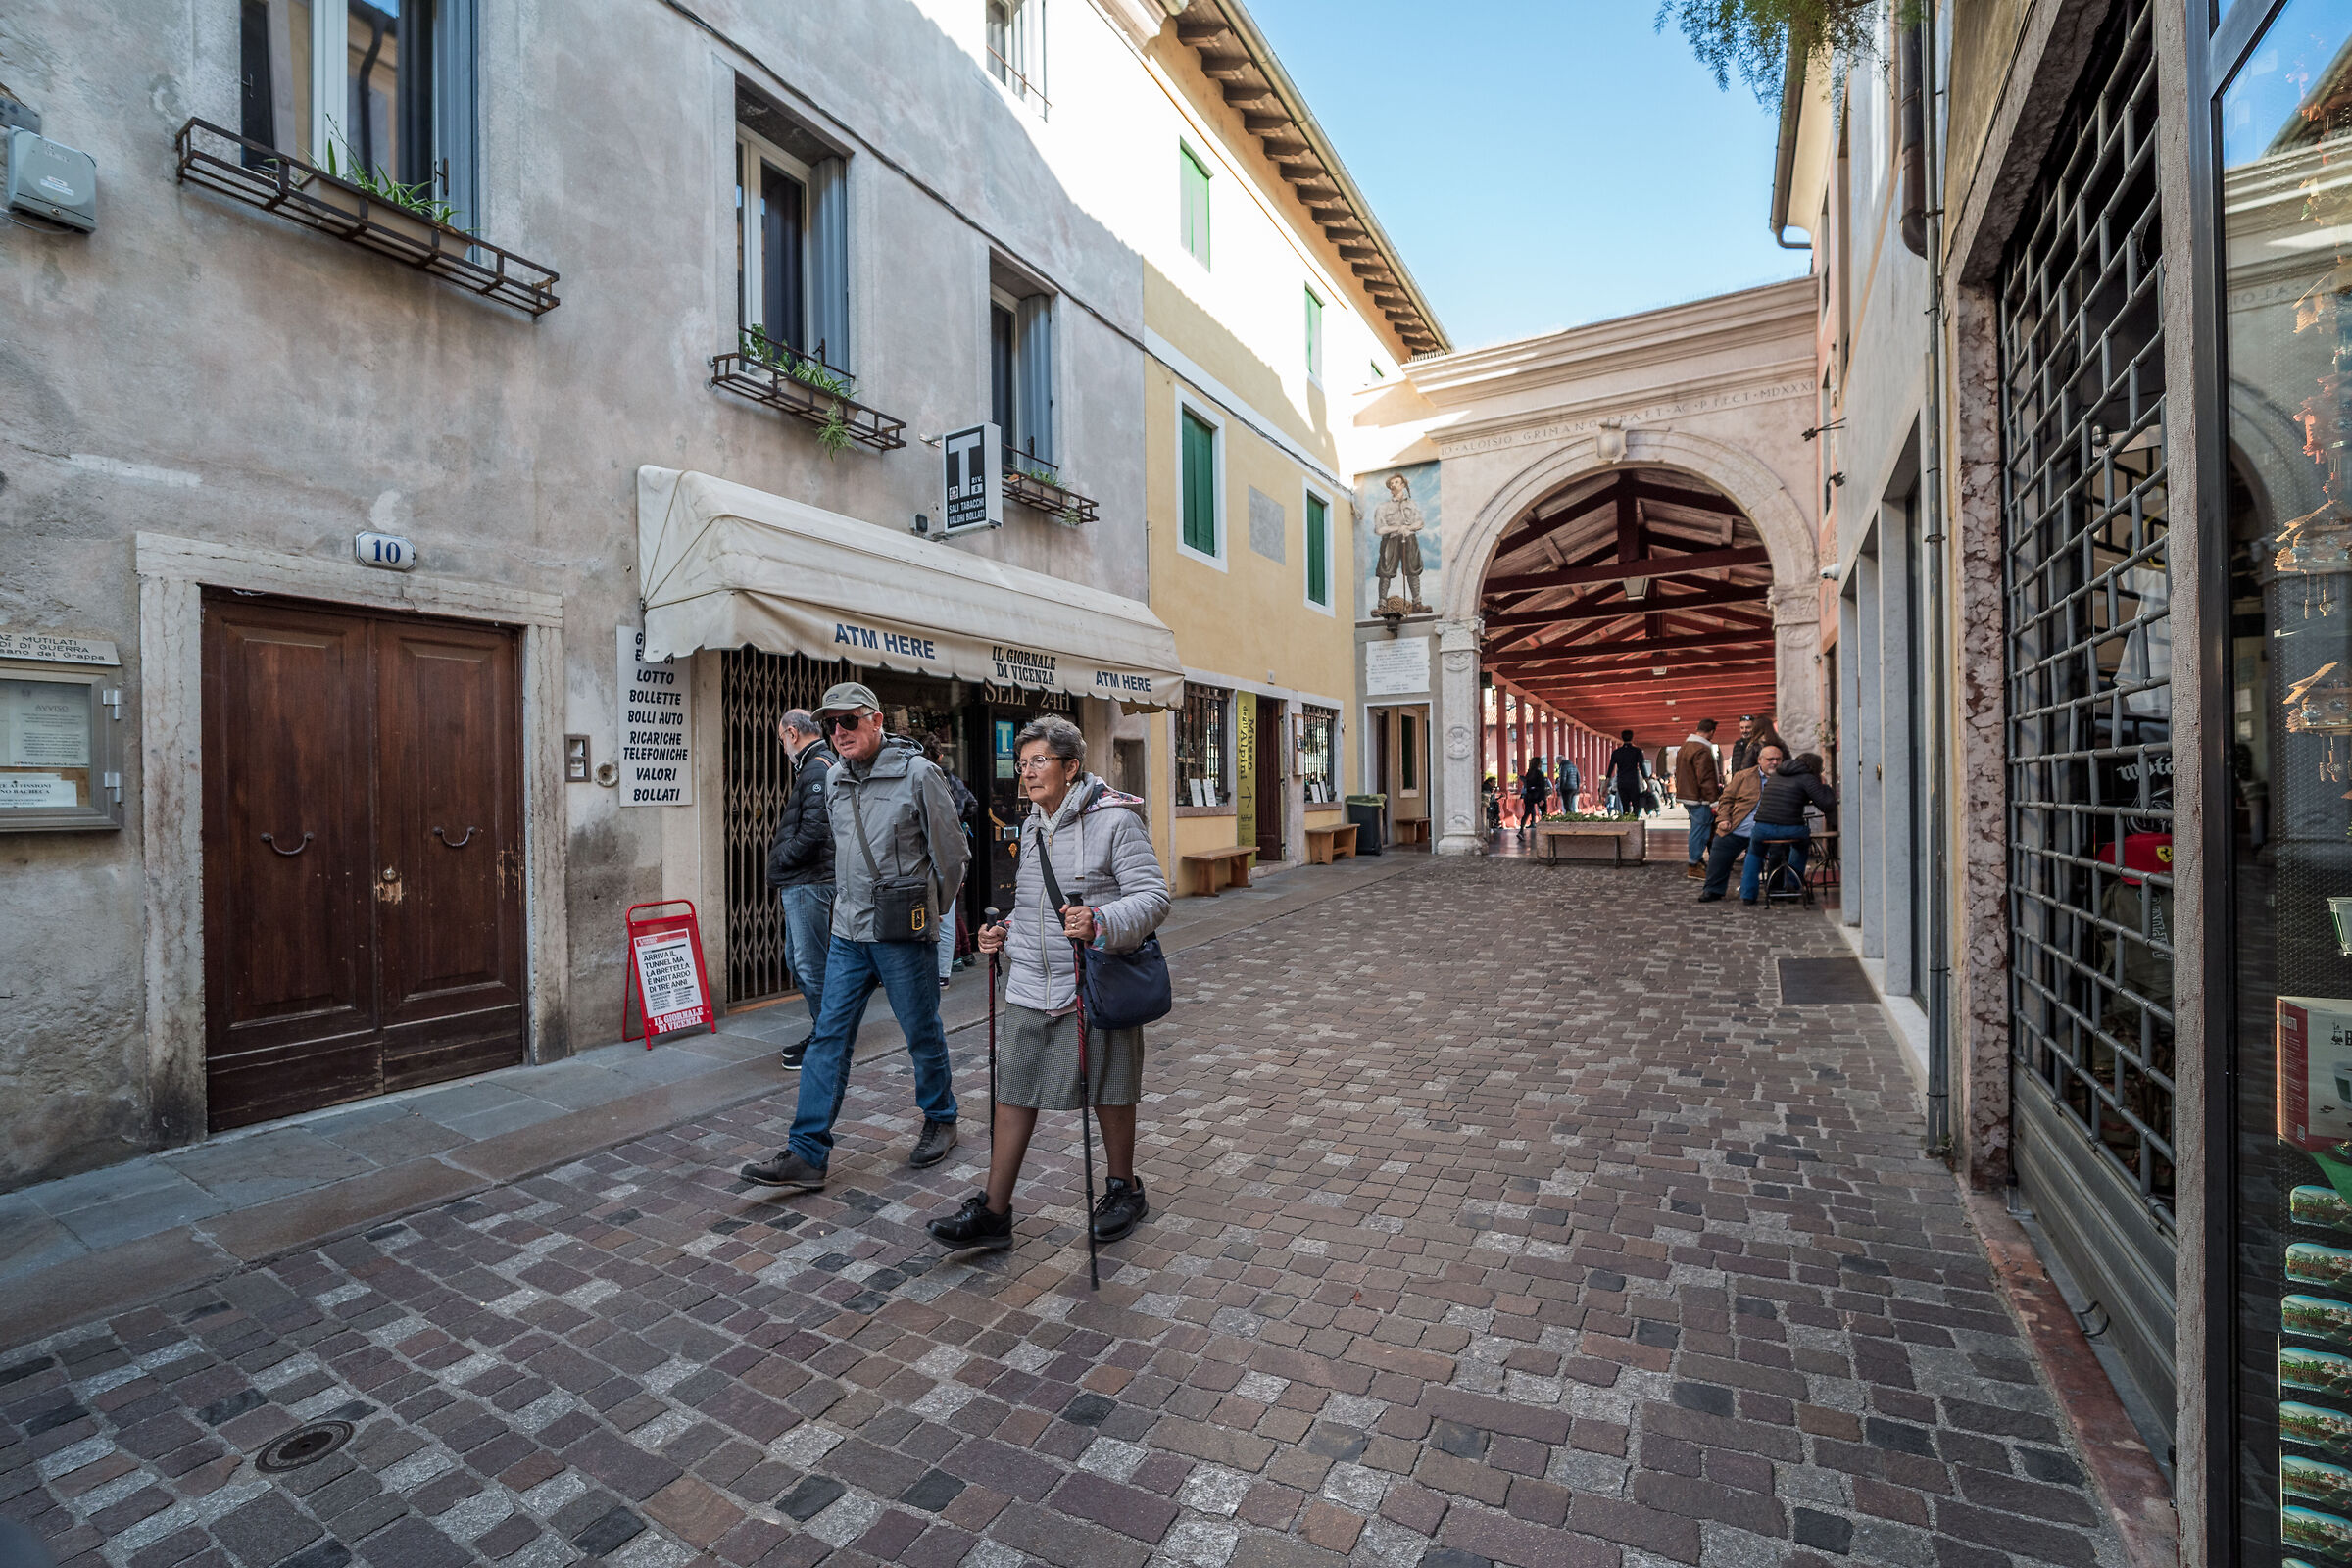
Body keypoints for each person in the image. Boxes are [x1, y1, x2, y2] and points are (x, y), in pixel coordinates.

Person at [931, 716, 1170, 1251]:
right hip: (1030, 982)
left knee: (1110, 1087)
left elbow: (1154, 898)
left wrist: (1101, 921)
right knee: (1014, 1089)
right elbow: (1034, 905)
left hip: (1094, 979)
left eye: (1039, 761)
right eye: (1022, 764)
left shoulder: (1116, 821)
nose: (1028, 772)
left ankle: (1124, 1188)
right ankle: (994, 1211)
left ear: (1071, 767)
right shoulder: (1032, 825)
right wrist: (1004, 932)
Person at [740, 683, 970, 1193]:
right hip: (847, 932)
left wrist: (926, 912)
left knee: (920, 1031)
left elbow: (952, 856)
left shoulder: (918, 774)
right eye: (832, 724)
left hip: (901, 933)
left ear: (877, 720)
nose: (839, 731)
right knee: (828, 1037)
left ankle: (941, 1117)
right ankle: (806, 1152)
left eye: (850, 720)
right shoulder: (834, 778)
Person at [763, 710, 837, 1069]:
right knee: (799, 961)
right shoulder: (817, 765)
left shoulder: (817, 768)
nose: (783, 747)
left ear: (792, 733)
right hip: (807, 880)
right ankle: (825, 1033)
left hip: (810, 881)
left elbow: (816, 829)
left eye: (782, 739)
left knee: (810, 965)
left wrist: (782, 860)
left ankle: (829, 1040)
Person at [922, 737, 980, 991]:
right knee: (946, 914)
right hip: (951, 848)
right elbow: (973, 804)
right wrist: (959, 817)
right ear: (940, 756)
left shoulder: (920, 777)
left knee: (931, 916)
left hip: (927, 851)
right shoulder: (951, 780)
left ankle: (935, 970)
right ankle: (943, 973)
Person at [1740, 751, 1838, 905]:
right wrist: (1825, 787)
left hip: (1762, 827)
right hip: (1790, 828)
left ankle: (1748, 895)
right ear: (1815, 767)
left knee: (1754, 853)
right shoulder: (1807, 778)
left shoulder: (1777, 775)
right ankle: (1793, 885)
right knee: (1801, 844)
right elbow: (1826, 803)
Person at [1696, 741, 1783, 902]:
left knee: (1780, 849)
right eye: (1770, 759)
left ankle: (1776, 889)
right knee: (1720, 845)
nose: (1774, 763)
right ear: (1760, 760)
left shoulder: (1785, 778)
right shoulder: (1744, 776)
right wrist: (1723, 819)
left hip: (1769, 830)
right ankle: (1713, 889)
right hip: (1739, 826)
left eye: (1778, 759)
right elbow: (1726, 799)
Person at [1673, 718, 1723, 881]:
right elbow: (1706, 778)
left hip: (1687, 796)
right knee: (1700, 830)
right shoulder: (1702, 750)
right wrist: (1714, 800)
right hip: (1699, 798)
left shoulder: (1684, 747)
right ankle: (1694, 864)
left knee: (1696, 828)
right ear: (1711, 732)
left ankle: (1697, 861)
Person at [1372, 472, 1430, 612]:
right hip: (1390, 539)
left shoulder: (1412, 504)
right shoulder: (1383, 507)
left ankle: (1417, 603)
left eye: (1396, 482)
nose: (1393, 485)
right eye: (1391, 484)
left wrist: (1408, 528)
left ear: (1403, 485)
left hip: (1409, 538)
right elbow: (1379, 529)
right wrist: (1398, 528)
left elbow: (1420, 523)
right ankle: (1382, 606)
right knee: (1385, 571)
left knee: (1413, 570)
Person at [1607, 730, 1646, 820]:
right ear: (1632, 737)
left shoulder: (1616, 752)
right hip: (1633, 781)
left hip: (1621, 782)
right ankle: (1634, 821)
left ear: (1622, 737)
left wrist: (1606, 784)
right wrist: (1647, 780)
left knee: (1625, 806)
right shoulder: (1637, 751)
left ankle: (1627, 822)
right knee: (1636, 805)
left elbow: (1610, 768)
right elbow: (1642, 766)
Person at [1519, 757, 1550, 839]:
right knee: (1544, 813)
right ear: (1538, 764)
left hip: (1529, 795)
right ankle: (1546, 830)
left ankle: (1521, 830)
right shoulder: (1539, 773)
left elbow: (1527, 785)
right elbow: (1542, 787)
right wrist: (1542, 798)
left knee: (1526, 813)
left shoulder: (1529, 773)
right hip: (1538, 795)